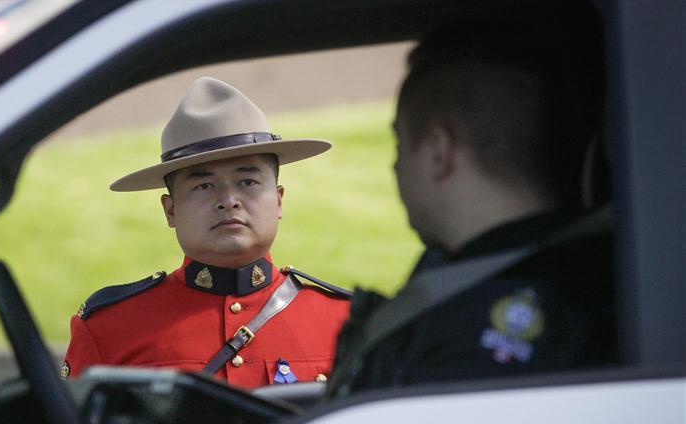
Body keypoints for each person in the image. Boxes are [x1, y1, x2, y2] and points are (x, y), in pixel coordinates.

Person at [328, 23, 615, 395]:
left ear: (437, 151)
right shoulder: (585, 274)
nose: (395, 167)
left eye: (399, 145)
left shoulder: (479, 326)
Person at [61, 76, 351, 389]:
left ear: (279, 199)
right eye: (204, 186)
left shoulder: (343, 322)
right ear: (170, 210)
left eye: (248, 182)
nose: (228, 201)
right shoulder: (111, 329)